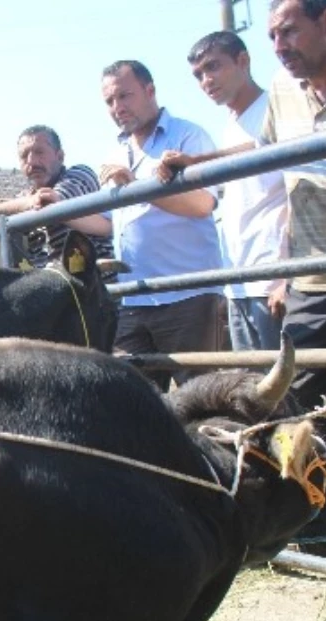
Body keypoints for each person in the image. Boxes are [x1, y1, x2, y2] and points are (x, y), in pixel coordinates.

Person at [161, 0, 326, 560]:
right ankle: (318, 529)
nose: (279, 47)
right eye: (272, 36)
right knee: (305, 413)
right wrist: (198, 161)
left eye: (289, 32)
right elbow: (262, 151)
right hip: (310, 274)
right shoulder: (283, 92)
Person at [91, 60, 227, 392]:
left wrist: (137, 185)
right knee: (134, 400)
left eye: (125, 96)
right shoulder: (116, 150)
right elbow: (107, 223)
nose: (117, 107)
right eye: (110, 101)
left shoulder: (188, 136)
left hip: (188, 295)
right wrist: (58, 210)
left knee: (202, 396)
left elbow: (202, 204)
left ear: (150, 91)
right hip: (134, 299)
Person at [184, 31, 288, 354]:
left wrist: (289, 275)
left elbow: (300, 191)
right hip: (240, 281)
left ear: (243, 61)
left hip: (272, 276)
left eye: (214, 67)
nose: (206, 80)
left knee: (289, 392)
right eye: (199, 75)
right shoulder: (230, 126)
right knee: (255, 394)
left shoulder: (275, 108)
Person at [0, 125, 114, 268]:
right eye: (24, 156)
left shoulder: (80, 175)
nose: (32, 161)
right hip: (47, 285)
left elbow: (47, 201)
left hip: (91, 284)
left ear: (60, 156)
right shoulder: (23, 200)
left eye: (39, 152)